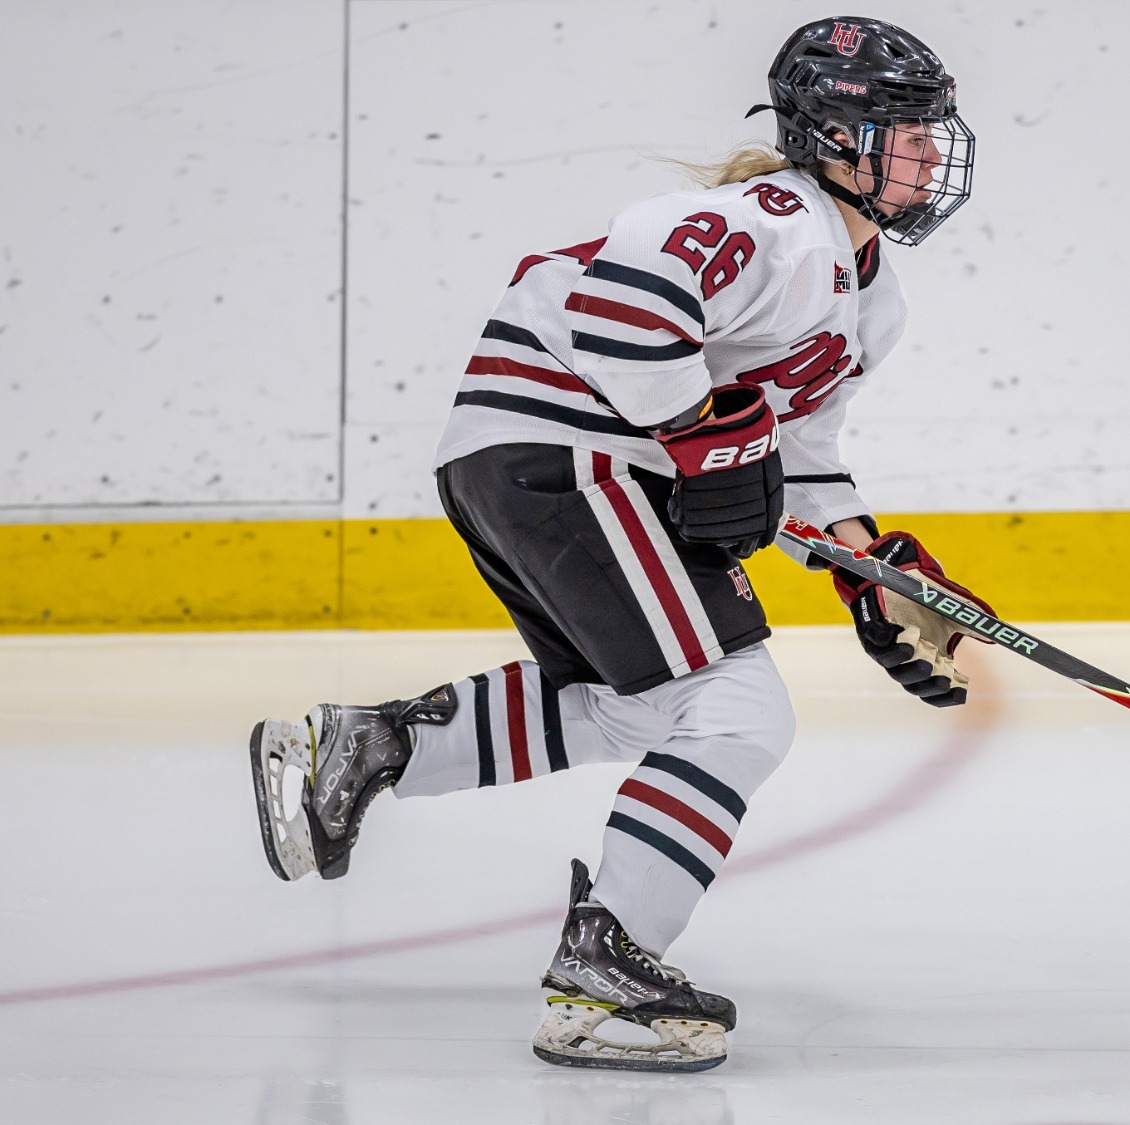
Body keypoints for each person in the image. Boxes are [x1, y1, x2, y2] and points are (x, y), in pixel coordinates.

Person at [246, 16, 995, 1073]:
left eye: (931, 131)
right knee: (735, 709)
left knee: (642, 702)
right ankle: (604, 971)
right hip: (567, 449)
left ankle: (369, 748)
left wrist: (864, 565)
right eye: (903, 132)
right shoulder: (773, 219)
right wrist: (698, 426)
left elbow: (801, 447)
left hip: (539, 460)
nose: (930, 153)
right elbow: (623, 302)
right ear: (832, 138)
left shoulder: (870, 297)